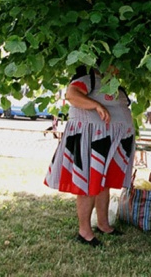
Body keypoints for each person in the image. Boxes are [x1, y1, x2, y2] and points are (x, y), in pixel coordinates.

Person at [44, 64, 135, 247]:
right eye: (113, 62)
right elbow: (71, 94)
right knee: (88, 183)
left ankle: (103, 224)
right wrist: (97, 105)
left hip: (109, 141)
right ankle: (84, 232)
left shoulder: (111, 82)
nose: (118, 65)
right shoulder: (89, 79)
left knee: (103, 183)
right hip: (91, 140)